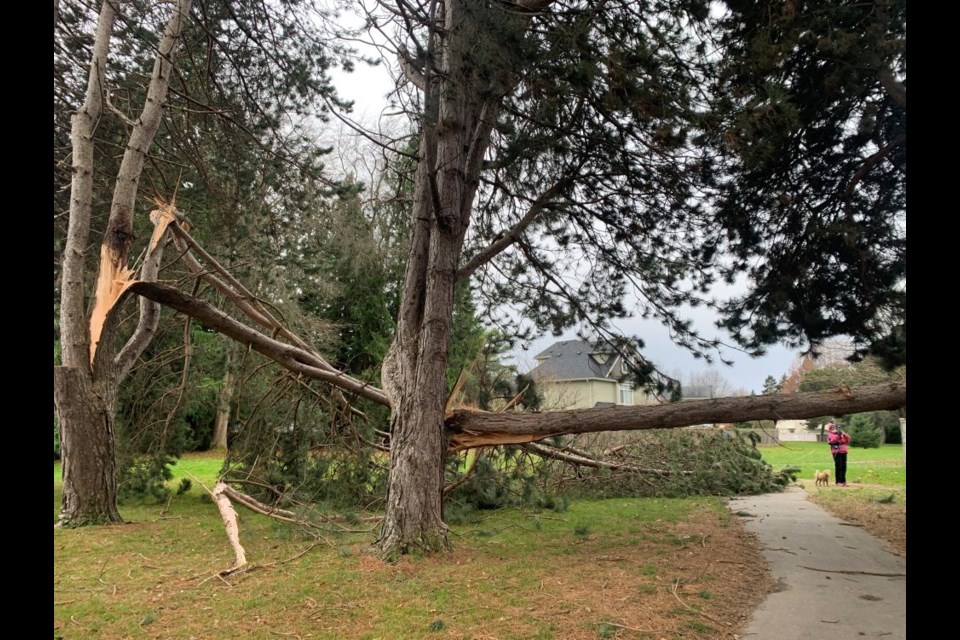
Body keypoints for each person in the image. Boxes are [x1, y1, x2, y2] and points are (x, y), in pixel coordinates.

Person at [826, 421, 852, 487]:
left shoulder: (840, 434)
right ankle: (838, 481)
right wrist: (838, 436)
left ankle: (843, 481)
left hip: (844, 451)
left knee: (844, 467)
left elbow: (847, 440)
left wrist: (844, 434)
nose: (835, 429)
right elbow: (832, 441)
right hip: (836, 452)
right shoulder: (830, 434)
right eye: (833, 428)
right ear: (830, 429)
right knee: (838, 467)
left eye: (835, 428)